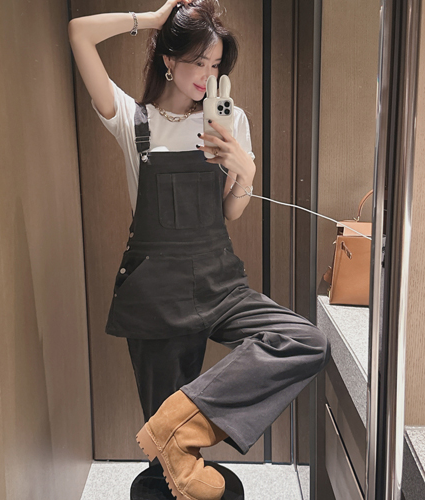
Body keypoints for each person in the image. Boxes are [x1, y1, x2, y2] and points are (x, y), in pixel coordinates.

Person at [69, 2, 330, 499]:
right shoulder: (134, 119)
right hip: (155, 291)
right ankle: (173, 442)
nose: (207, 76)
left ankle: (177, 425)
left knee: (304, 341)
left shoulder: (230, 119)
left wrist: (245, 172)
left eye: (215, 65)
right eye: (197, 62)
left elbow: (231, 212)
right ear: (169, 59)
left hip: (218, 281)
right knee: (166, 466)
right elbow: (80, 33)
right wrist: (151, 20)